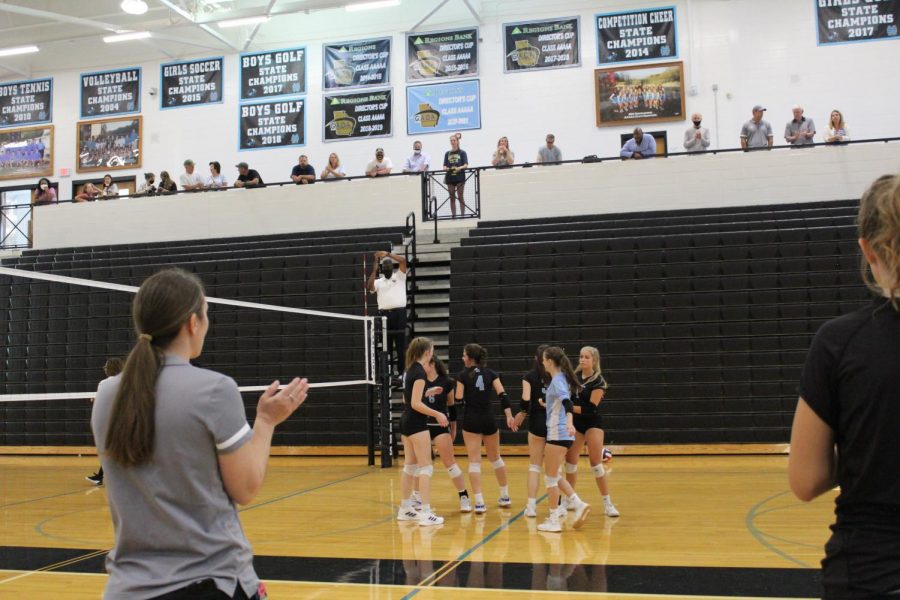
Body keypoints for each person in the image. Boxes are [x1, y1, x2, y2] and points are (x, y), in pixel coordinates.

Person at [91, 268, 309, 598]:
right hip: (208, 583)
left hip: (126, 588)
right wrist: (265, 422)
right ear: (193, 323)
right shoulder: (215, 390)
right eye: (206, 315)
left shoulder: (107, 395)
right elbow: (245, 488)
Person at [789, 174, 900, 598]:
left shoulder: (840, 343)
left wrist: (866, 453)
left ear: (867, 249)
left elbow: (806, 479)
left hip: (871, 572)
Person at [455, 343, 516, 514]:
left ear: (470, 358)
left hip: (471, 419)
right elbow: (503, 396)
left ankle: (480, 502)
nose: (462, 358)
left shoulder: (462, 375)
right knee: (495, 458)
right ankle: (505, 496)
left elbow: (458, 400)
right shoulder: (491, 373)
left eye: (464, 355)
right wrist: (509, 416)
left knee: (474, 461)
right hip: (489, 418)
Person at [538, 346, 591, 533]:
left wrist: (569, 423)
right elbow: (564, 404)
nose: (542, 362)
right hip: (563, 433)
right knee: (556, 475)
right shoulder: (560, 380)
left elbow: (568, 404)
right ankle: (578, 503)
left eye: (544, 359)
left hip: (557, 433)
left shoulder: (558, 381)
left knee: (550, 478)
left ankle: (554, 520)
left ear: (550, 362)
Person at [563, 347, 619, 518]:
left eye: (586, 357)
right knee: (570, 461)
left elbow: (590, 409)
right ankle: (570, 499)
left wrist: (570, 407)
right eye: (580, 356)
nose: (582, 359)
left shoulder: (598, 381)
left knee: (595, 463)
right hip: (577, 424)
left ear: (594, 361)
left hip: (592, 422)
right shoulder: (573, 378)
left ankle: (608, 503)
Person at [396, 337, 446, 526]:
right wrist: (437, 413)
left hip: (406, 421)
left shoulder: (409, 371)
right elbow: (415, 404)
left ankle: (405, 508)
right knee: (426, 467)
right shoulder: (420, 372)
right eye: (432, 349)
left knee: (410, 466)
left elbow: (407, 400)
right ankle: (425, 512)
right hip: (416, 423)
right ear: (427, 352)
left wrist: (428, 393)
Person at [411, 356, 471, 512]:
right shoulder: (419, 379)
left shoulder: (447, 382)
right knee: (420, 463)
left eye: (425, 363)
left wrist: (454, 428)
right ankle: (416, 497)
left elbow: (451, 409)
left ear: (432, 364)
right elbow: (413, 401)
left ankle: (463, 496)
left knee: (449, 463)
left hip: (440, 425)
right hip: (422, 425)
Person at [514, 345, 550, 518]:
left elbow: (525, 400)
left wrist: (521, 414)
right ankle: (557, 507)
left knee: (535, 466)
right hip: (554, 422)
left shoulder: (529, 376)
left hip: (536, 422)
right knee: (555, 469)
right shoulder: (558, 376)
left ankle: (531, 506)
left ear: (536, 359)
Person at [367, 250, 408, 380]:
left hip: (399, 313)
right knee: (387, 346)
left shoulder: (399, 276)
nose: (386, 269)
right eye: (384, 267)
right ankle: (388, 373)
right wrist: (374, 270)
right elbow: (369, 287)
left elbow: (403, 261)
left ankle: (402, 372)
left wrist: (388, 255)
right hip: (385, 316)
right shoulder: (379, 281)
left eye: (388, 266)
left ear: (392, 267)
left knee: (401, 346)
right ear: (382, 269)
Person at [86, 357, 124, 485]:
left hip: (110, 422)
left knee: (109, 450)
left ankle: (103, 476)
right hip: (124, 420)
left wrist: (94, 400)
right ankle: (101, 476)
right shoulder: (126, 381)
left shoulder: (104, 383)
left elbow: (101, 402)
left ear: (109, 369)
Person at [443, 134, 469, 218]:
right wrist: (446, 168)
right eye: (451, 140)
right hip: (450, 177)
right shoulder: (447, 153)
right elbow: (444, 166)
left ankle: (462, 215)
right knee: (452, 198)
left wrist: (459, 168)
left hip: (460, 176)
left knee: (460, 197)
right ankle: (453, 216)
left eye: (454, 140)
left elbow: (466, 165)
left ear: (457, 142)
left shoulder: (462, 152)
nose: (452, 142)